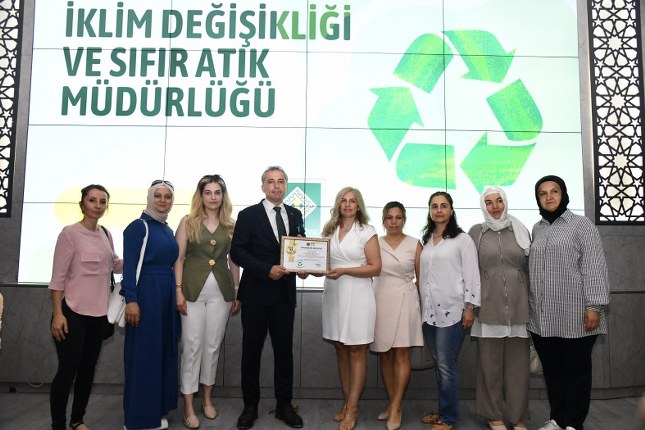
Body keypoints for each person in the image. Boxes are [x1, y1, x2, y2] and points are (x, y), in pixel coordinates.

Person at [529, 175, 610, 430]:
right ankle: (557, 419)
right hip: (543, 318)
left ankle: (574, 423)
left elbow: (594, 266)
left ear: (563, 194)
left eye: (554, 191)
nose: (549, 197)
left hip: (576, 315)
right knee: (553, 372)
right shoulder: (537, 228)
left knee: (576, 373)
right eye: (543, 193)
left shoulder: (581, 225)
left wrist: (594, 306)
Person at [230, 166, 306, 430]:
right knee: (251, 352)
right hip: (256, 295)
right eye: (271, 181)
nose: (276, 186)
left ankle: (284, 405)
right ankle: (250, 406)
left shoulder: (295, 214)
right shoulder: (248, 215)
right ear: (263, 186)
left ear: (286, 186)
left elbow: (300, 247)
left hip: (284, 296)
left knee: (284, 352)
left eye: (281, 181)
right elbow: (237, 252)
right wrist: (265, 270)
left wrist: (304, 266)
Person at [49, 184, 122, 430]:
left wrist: (144, 258)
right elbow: (57, 280)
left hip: (99, 316)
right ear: (82, 204)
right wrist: (57, 315)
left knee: (88, 371)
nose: (97, 205)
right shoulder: (69, 234)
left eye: (102, 201)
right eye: (92, 200)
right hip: (72, 314)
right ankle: (58, 425)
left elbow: (115, 265)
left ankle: (77, 420)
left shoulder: (106, 234)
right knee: (67, 372)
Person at [174, 175, 241, 429]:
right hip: (191, 291)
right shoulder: (187, 222)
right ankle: (188, 405)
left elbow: (234, 261)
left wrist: (236, 291)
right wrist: (178, 291)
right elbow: (179, 259)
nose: (213, 197)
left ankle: (207, 399)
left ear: (223, 196)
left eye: (217, 192)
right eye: (208, 192)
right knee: (192, 347)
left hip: (221, 293)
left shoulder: (230, 225)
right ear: (200, 196)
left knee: (212, 346)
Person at [467, 187, 531, 430]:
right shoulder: (476, 232)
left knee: (518, 370)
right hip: (488, 308)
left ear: (505, 202)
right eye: (489, 202)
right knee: (489, 367)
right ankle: (493, 415)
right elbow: (469, 272)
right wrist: (470, 305)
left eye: (499, 201)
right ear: (483, 206)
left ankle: (517, 416)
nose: (495, 207)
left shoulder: (520, 230)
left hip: (519, 308)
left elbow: (529, 268)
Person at [419, 191, 481, 430]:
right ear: (429, 211)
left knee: (446, 364)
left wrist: (469, 307)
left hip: (453, 311)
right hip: (429, 312)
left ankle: (448, 417)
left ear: (451, 210)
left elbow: (472, 275)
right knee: (441, 363)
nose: (439, 210)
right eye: (434, 206)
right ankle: (444, 408)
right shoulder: (427, 239)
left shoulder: (462, 240)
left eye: (443, 205)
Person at [322, 187, 382, 430]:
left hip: (358, 295)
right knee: (340, 348)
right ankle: (347, 402)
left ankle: (353, 408)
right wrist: (303, 269)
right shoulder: (329, 231)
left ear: (359, 206)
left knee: (356, 349)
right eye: (343, 201)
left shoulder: (367, 231)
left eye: (352, 201)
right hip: (334, 294)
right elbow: (322, 264)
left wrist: (345, 270)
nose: (347, 205)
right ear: (338, 204)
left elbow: (375, 267)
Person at [122, 180, 180, 430]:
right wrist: (132, 300)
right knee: (144, 355)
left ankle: (156, 410)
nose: (162, 200)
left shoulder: (166, 228)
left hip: (165, 295)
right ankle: (139, 420)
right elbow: (129, 266)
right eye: (158, 196)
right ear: (149, 198)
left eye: (168, 196)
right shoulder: (138, 227)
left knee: (162, 352)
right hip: (147, 295)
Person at [370, 201, 423, 430]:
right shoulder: (375, 243)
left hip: (406, 300)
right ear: (383, 220)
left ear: (404, 219)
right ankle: (394, 403)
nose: (394, 222)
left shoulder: (415, 244)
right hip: (380, 299)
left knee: (402, 353)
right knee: (385, 354)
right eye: (389, 217)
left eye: (398, 217)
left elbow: (421, 279)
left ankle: (395, 408)